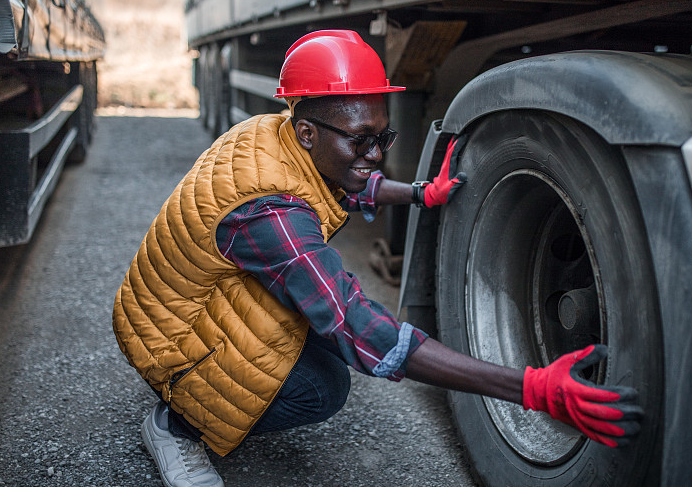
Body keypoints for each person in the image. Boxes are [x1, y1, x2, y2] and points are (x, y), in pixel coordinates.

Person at [113, 30, 642, 487]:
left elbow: (336, 184)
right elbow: (360, 328)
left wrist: (417, 193)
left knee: (318, 347)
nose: (377, 153)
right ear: (307, 132)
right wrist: (528, 387)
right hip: (169, 339)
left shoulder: (274, 135)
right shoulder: (269, 213)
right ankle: (175, 424)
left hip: (183, 302)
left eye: (383, 136)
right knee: (322, 389)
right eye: (363, 141)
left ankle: (199, 401)